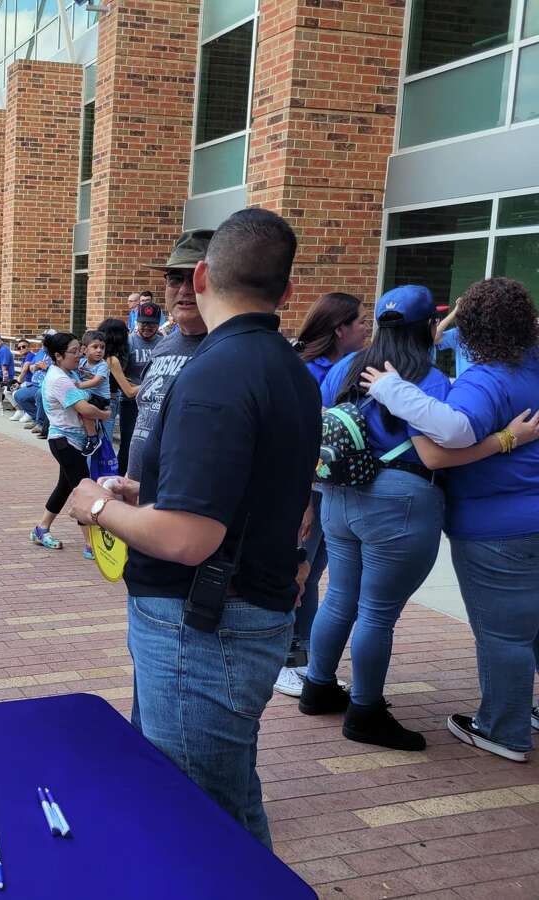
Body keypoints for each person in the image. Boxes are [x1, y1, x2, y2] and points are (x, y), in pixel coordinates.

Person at [68, 208, 319, 849]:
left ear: (204, 275)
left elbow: (187, 538)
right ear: (286, 292)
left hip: (203, 627)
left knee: (201, 819)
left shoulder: (216, 372)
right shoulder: (287, 368)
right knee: (218, 795)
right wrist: (146, 495)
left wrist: (95, 507)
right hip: (233, 615)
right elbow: (251, 497)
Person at [362, 277, 539, 761]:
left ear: (474, 327)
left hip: (496, 527)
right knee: (530, 626)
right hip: (531, 516)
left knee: (503, 635)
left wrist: (392, 389)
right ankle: (523, 709)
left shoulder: (487, 377)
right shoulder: (531, 363)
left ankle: (503, 730)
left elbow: (452, 433)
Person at [297, 285, 454, 752]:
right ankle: (366, 712)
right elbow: (442, 443)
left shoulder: (346, 366)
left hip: (341, 496)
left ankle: (317, 686)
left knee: (341, 595)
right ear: (428, 328)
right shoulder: (430, 376)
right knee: (378, 613)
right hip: (401, 500)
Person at [273, 291, 368, 698]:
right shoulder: (308, 372)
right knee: (296, 574)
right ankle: (280, 660)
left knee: (311, 577)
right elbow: (297, 444)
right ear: (340, 328)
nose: (368, 328)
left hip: (329, 494)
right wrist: (305, 501)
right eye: (362, 320)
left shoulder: (350, 370)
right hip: (305, 495)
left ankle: (304, 657)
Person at [123, 230, 214, 478]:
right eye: (175, 278)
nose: (185, 289)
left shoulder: (230, 350)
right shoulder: (164, 344)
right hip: (141, 494)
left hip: (184, 503)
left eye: (197, 279)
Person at [30, 332, 110, 557]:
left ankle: (41, 529)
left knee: (65, 487)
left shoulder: (69, 372)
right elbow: (84, 409)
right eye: (74, 352)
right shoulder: (59, 379)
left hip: (71, 441)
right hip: (64, 442)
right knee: (83, 490)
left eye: (79, 350)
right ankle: (90, 545)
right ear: (58, 356)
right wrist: (104, 415)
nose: (79, 355)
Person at [114, 300, 162, 466]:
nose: (147, 327)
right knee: (128, 442)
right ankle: (121, 478)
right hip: (131, 401)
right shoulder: (129, 342)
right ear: (137, 321)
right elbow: (120, 373)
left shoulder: (163, 342)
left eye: (152, 324)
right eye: (143, 323)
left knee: (152, 443)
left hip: (155, 402)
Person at [74, 330, 110, 456]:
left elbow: (96, 381)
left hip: (100, 397)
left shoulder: (103, 365)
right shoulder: (82, 362)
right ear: (84, 349)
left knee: (85, 411)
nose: (99, 350)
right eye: (95, 347)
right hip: (88, 394)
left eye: (102, 347)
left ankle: (93, 438)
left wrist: (78, 385)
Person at [433, 300, 474, 378]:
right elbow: (434, 337)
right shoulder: (460, 333)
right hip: (465, 386)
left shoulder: (497, 334)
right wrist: (455, 311)